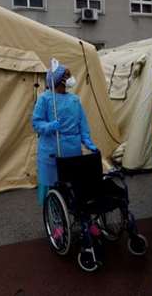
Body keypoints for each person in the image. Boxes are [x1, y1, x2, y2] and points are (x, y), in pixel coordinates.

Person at [32, 63, 97, 205]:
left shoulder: (74, 99)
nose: (70, 78)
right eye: (67, 76)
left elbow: (82, 124)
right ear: (58, 80)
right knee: (54, 186)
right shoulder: (45, 99)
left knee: (77, 187)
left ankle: (83, 218)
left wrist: (88, 141)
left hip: (73, 151)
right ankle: (55, 219)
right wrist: (50, 126)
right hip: (52, 151)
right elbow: (36, 123)